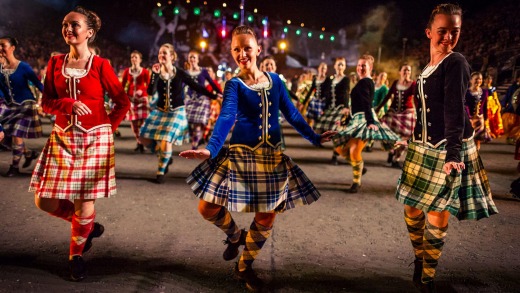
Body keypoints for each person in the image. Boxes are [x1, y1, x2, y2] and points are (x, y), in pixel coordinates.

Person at [179, 25, 336, 292]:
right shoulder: (234, 85)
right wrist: (211, 148)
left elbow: (292, 114)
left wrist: (315, 137)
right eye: (236, 49)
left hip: (271, 157)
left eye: (247, 48)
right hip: (239, 155)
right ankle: (234, 235)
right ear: (231, 52)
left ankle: (245, 266)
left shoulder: (275, 80)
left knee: (267, 217)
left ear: (258, 50)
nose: (242, 53)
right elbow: (226, 116)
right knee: (206, 208)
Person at [394, 4, 498, 292]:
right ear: (429, 32)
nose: (448, 37)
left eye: (455, 31)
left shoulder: (457, 63)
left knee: (437, 212)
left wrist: (453, 155)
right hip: (423, 145)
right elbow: (428, 110)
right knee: (412, 208)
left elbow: (455, 110)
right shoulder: (428, 67)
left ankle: (427, 275)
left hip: (448, 147)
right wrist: (411, 137)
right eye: (442, 31)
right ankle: (420, 257)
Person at [29, 6, 130, 281]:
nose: (68, 29)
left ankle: (76, 256)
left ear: (90, 32)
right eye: (65, 24)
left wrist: (106, 128)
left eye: (74, 25)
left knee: (84, 202)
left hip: (94, 139)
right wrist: (68, 104)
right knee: (44, 201)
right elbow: (46, 103)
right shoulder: (54, 63)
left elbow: (122, 102)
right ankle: (85, 227)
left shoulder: (101, 65)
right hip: (62, 136)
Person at [139, 44, 219, 184]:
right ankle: (165, 156)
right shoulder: (156, 72)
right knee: (143, 138)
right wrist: (155, 75)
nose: (161, 56)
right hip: (160, 111)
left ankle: (161, 171)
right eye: (159, 53)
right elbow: (151, 91)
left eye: (164, 53)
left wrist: (213, 95)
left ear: (172, 56)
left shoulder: (180, 72)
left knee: (166, 140)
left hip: (176, 111)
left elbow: (197, 86)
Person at [333, 55, 400, 193]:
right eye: (359, 65)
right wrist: (347, 118)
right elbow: (358, 104)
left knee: (354, 150)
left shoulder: (365, 82)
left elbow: (367, 103)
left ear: (370, 68)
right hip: (357, 119)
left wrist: (370, 121)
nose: (360, 68)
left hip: (364, 119)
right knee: (340, 148)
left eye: (364, 65)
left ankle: (356, 183)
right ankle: (360, 168)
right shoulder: (363, 82)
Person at [0, 36, 44, 177]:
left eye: (3, 45)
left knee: (16, 135)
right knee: (7, 137)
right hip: (9, 105)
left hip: (26, 105)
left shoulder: (23, 66)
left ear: (12, 48)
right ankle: (29, 153)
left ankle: (14, 167)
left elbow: (38, 84)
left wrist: (50, 100)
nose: (0, 48)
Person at [376, 64, 418, 168]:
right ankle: (391, 151)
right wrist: (377, 109)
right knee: (389, 134)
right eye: (404, 70)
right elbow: (387, 97)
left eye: (408, 70)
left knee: (407, 136)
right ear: (400, 72)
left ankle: (396, 158)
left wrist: (419, 114)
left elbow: (416, 100)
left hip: (406, 114)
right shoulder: (395, 83)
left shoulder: (413, 84)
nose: (406, 72)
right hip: (393, 112)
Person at [314, 57, 350, 165]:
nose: (340, 67)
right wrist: (324, 109)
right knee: (327, 131)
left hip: (340, 109)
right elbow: (328, 95)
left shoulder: (345, 79)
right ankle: (342, 154)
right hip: (331, 108)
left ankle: (335, 155)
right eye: (338, 64)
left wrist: (346, 107)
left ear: (344, 67)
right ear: (334, 66)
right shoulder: (331, 79)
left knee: (337, 131)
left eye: (342, 65)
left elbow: (346, 94)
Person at [184, 50, 223, 150]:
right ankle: (196, 138)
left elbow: (212, 83)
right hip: (189, 100)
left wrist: (220, 93)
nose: (192, 59)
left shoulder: (203, 71)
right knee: (189, 124)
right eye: (190, 57)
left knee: (197, 123)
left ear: (197, 59)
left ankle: (194, 146)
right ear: (188, 59)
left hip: (201, 100)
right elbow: (181, 86)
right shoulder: (185, 73)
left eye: (194, 57)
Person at [121, 50, 150, 153]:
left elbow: (149, 87)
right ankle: (139, 141)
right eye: (132, 57)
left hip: (142, 100)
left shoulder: (145, 72)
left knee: (142, 124)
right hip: (131, 100)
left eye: (136, 57)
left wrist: (142, 92)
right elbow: (122, 86)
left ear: (140, 60)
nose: (133, 59)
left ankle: (140, 143)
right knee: (134, 124)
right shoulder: (126, 71)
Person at [465, 71, 490, 150]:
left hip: (480, 120)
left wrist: (486, 120)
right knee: (468, 139)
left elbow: (485, 106)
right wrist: (468, 117)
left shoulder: (485, 92)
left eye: (480, 79)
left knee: (478, 140)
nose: (478, 81)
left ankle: (476, 154)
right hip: (469, 120)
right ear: (471, 80)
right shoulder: (466, 92)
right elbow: (465, 106)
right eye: (476, 79)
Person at [304, 62, 331, 128]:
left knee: (320, 120)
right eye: (321, 68)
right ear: (319, 69)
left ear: (326, 70)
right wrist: (304, 102)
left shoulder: (328, 80)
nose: (322, 70)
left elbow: (328, 93)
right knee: (312, 119)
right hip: (314, 101)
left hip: (322, 102)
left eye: (324, 68)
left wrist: (327, 105)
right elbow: (310, 91)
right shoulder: (315, 79)